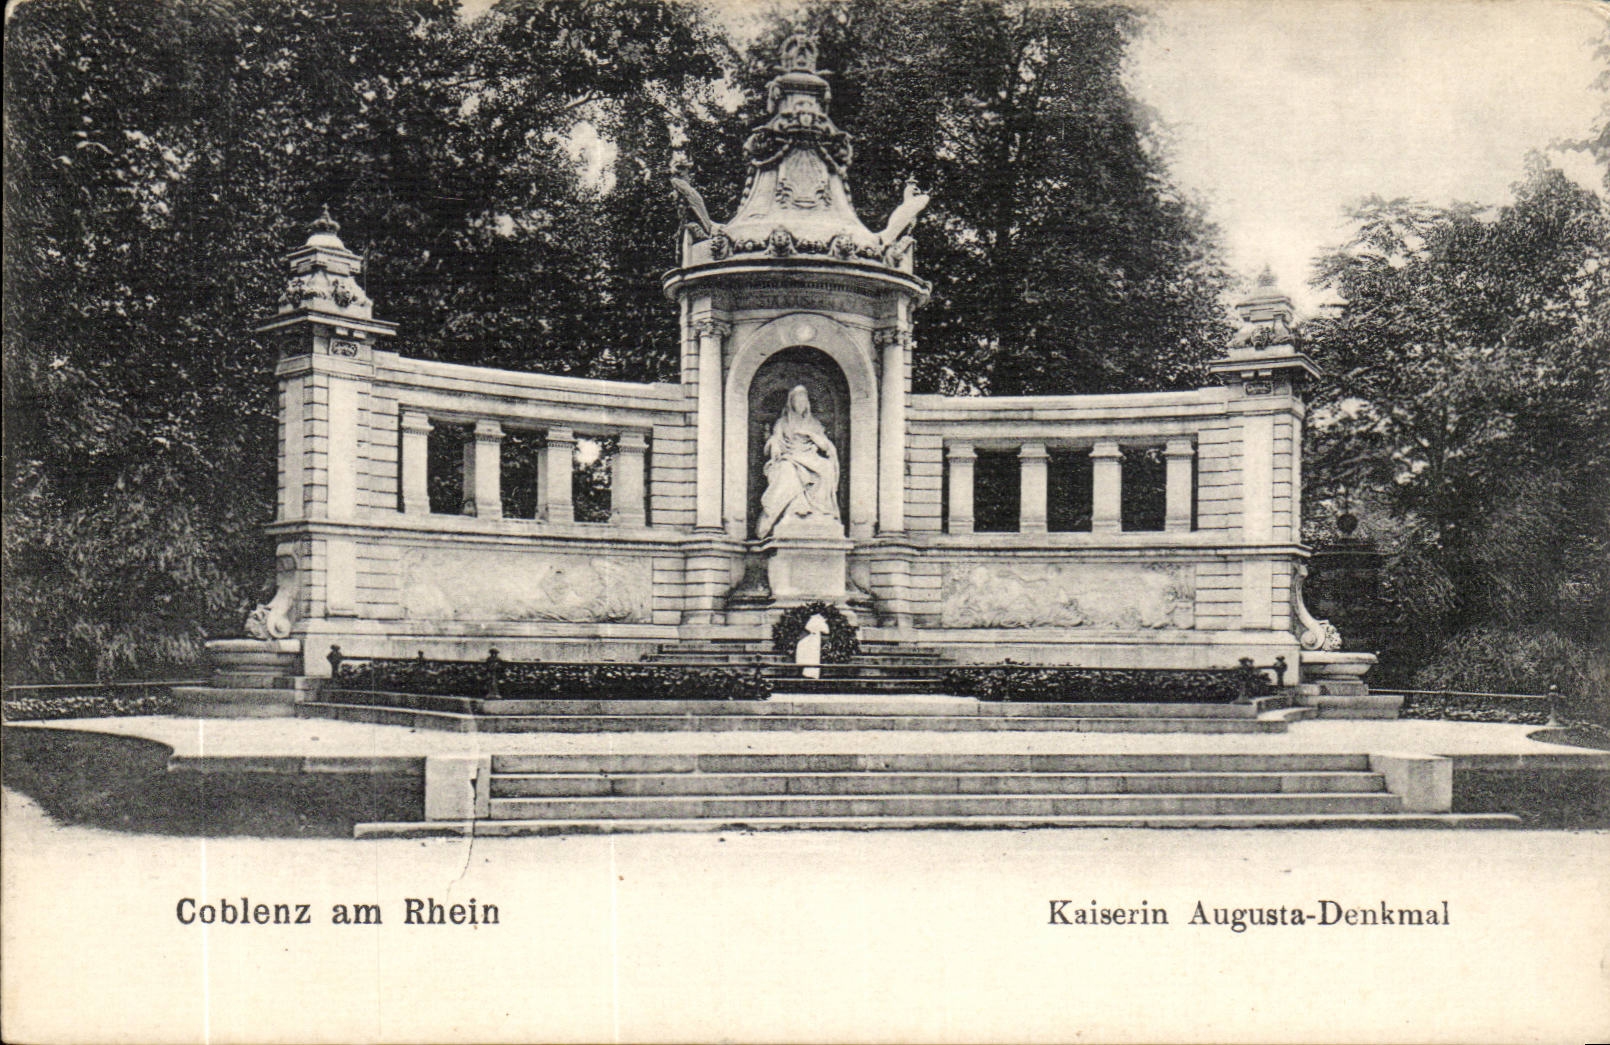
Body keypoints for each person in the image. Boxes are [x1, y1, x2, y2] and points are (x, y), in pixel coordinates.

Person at [755, 385, 840, 537]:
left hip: (809, 456)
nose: (801, 403)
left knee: (827, 467)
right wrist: (775, 444)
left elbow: (824, 444)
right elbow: (774, 439)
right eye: (797, 400)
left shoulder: (814, 423)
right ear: (791, 403)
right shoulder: (782, 422)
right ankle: (796, 509)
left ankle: (821, 512)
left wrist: (811, 434)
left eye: (803, 400)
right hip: (790, 456)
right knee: (787, 469)